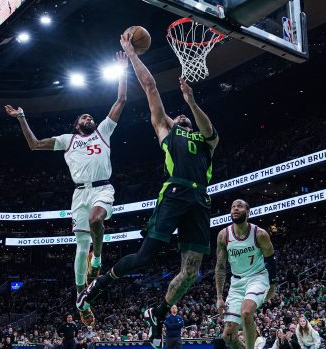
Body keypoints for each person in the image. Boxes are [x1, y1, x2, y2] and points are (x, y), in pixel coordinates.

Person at [76, 31, 219, 349]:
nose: (181, 117)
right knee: (144, 258)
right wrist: (130, 55)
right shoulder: (167, 133)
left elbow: (209, 129)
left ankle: (159, 312)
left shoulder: (207, 140)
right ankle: (100, 283)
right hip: (175, 193)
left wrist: (191, 101)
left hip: (200, 199)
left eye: (186, 117)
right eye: (177, 116)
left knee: (191, 272)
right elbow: (151, 88)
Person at [4, 51, 128, 326]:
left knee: (97, 220)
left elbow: (120, 100)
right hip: (79, 193)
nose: (88, 117)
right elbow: (34, 145)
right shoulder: (67, 140)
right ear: (77, 125)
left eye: (89, 116)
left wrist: (122, 69)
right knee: (80, 247)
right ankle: (80, 297)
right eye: (83, 117)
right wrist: (22, 118)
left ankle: (98, 259)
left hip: (102, 188)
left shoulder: (103, 132)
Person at [215, 200, 276, 349]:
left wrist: (273, 284)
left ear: (248, 212)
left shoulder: (260, 234)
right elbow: (220, 267)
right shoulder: (224, 235)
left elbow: (270, 259)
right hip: (236, 283)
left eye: (239, 206)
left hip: (257, 276)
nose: (235, 209)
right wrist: (219, 297)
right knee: (228, 336)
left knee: (247, 312)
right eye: (233, 207)